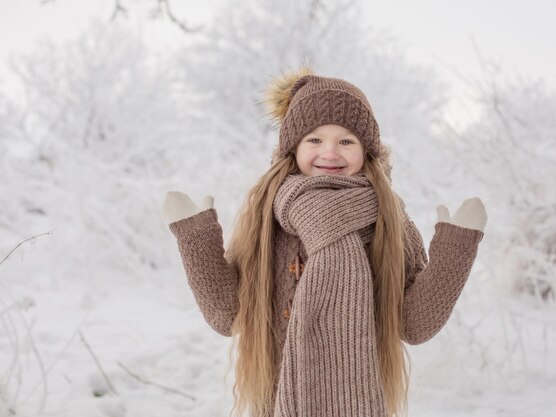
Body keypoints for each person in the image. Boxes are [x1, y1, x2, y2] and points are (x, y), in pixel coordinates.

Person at [161, 67, 487, 417]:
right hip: (277, 400)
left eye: (346, 141)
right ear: (293, 148)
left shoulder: (389, 220)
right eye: (314, 140)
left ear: (367, 151)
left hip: (359, 400)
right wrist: (197, 240)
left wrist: (456, 248)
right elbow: (227, 315)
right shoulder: (267, 218)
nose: (330, 153)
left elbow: (415, 324)